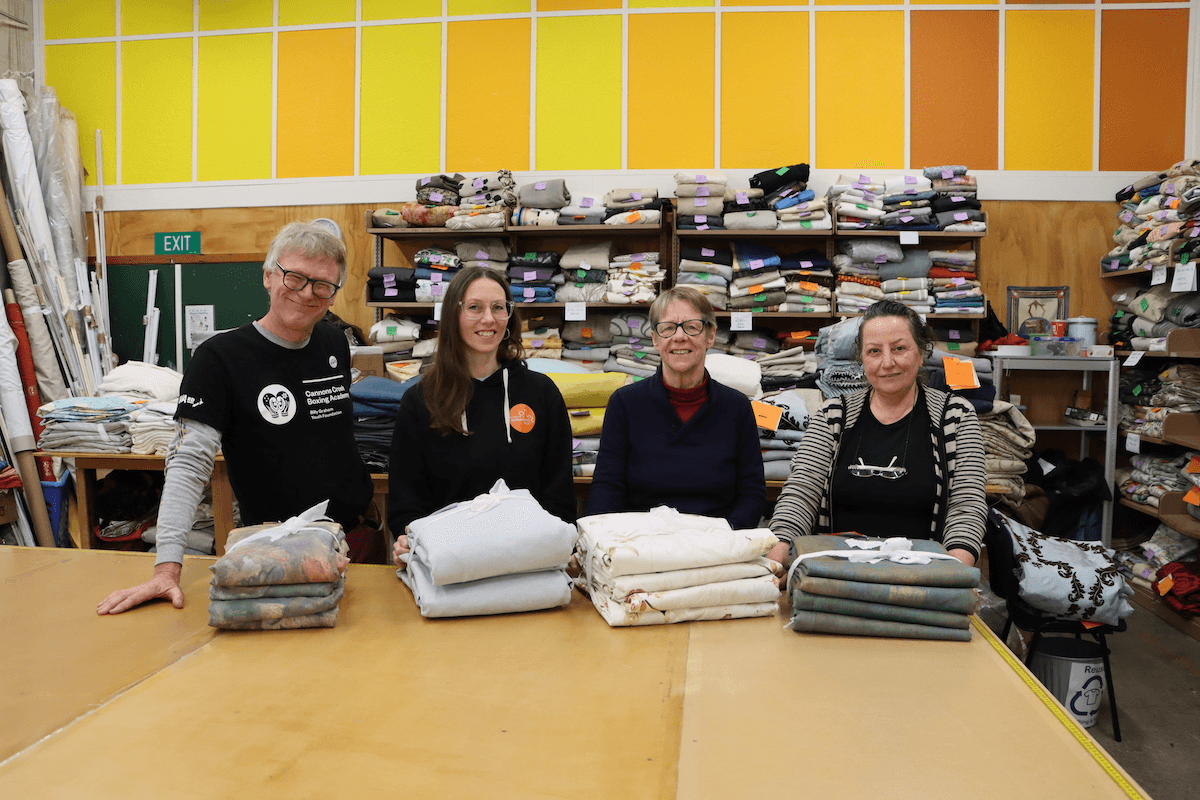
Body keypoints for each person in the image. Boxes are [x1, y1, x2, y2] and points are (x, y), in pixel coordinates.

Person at [97, 222, 373, 614]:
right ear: (268, 276)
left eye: (323, 285)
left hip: (354, 538)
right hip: (283, 550)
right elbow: (189, 461)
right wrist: (166, 568)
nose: (307, 293)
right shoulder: (220, 358)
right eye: (294, 277)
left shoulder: (332, 342)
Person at [768, 299, 986, 566]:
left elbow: (967, 506)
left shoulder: (955, 417)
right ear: (861, 359)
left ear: (921, 353)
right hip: (836, 578)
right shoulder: (833, 416)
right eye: (874, 351)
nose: (887, 362)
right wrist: (777, 557)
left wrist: (952, 575)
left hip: (924, 581)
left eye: (899, 348)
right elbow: (801, 492)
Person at [389, 266, 575, 564]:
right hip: (449, 563)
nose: (488, 319)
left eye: (498, 308)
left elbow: (560, 498)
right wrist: (413, 540)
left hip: (529, 560)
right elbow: (405, 507)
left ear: (509, 317)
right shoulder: (420, 400)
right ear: (453, 315)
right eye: (475, 307)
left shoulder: (542, 395)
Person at [587, 286, 766, 530]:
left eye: (692, 327)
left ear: (710, 335)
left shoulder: (737, 407)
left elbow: (752, 492)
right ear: (655, 339)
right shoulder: (625, 404)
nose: (679, 337)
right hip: (642, 545)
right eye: (668, 328)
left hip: (718, 547)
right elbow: (607, 487)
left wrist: (726, 536)